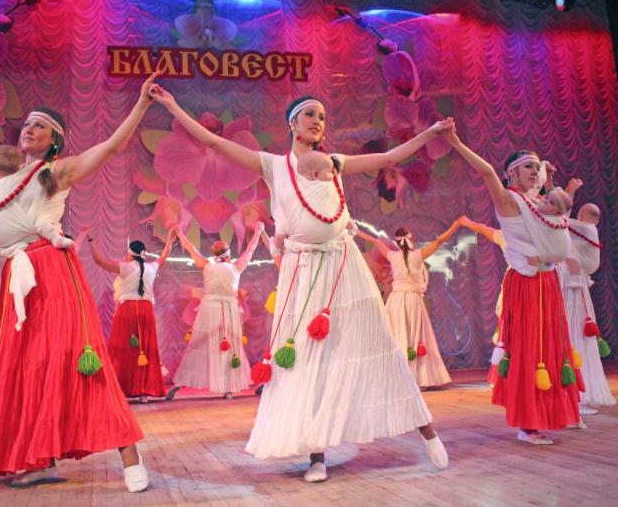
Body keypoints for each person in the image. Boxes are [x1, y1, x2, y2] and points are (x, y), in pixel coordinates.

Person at [151, 86, 449, 481]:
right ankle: (317, 455)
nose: (317, 122)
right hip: (303, 269)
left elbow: (389, 158)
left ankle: (427, 430)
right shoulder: (274, 166)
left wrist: (429, 134)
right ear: (293, 123)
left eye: (322, 117)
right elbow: (214, 142)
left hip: (344, 265)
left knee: (376, 341)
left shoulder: (335, 164)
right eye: (310, 114)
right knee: (307, 357)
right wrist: (172, 105)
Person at [0, 75, 158, 492]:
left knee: (74, 356)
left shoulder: (55, 172)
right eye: (27, 124)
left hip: (51, 272)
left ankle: (130, 457)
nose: (29, 129)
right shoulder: (2, 177)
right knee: (26, 366)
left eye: (39, 126)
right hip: (15, 280)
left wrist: (142, 105)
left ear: (53, 139)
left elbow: (110, 147)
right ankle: (40, 459)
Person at [445, 130, 580, 445]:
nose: (534, 171)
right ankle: (528, 424)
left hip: (548, 282)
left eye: (536, 166)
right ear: (512, 174)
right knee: (531, 349)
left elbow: (557, 215)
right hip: (528, 285)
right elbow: (486, 172)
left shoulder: (539, 203)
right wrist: (456, 143)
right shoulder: (508, 201)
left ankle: (547, 415)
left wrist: (553, 182)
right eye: (528, 166)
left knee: (551, 347)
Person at [357, 221, 462, 387]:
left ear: (397, 242)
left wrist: (354, 230)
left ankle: (398, 378)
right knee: (415, 337)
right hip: (412, 300)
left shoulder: (392, 255)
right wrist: (454, 226)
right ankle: (418, 379)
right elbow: (438, 241)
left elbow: (375, 241)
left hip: (397, 301)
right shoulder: (418, 255)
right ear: (411, 239)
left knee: (398, 335)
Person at [167, 222, 265, 400]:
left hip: (210, 309)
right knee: (229, 347)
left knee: (199, 344)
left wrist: (180, 233)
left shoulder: (207, 265)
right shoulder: (236, 267)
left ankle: (181, 383)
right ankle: (228, 388)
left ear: (214, 255)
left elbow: (191, 249)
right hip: (228, 310)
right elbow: (250, 249)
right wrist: (258, 232)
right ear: (228, 255)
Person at [88, 233, 176, 403]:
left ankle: (119, 390)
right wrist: (170, 240)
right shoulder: (152, 267)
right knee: (145, 349)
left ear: (129, 254)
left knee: (123, 350)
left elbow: (99, 261)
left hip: (126, 311)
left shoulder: (126, 267)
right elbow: (164, 256)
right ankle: (143, 393)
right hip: (146, 311)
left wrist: (91, 240)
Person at [558, 203, 615, 415]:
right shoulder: (581, 232)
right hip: (570, 286)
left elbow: (560, 222)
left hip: (575, 290)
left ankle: (578, 393)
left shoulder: (588, 230)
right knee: (571, 334)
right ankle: (571, 392)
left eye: (581, 214)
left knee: (576, 334)